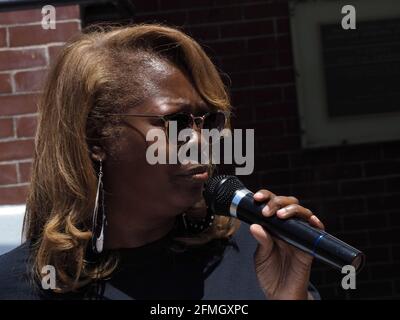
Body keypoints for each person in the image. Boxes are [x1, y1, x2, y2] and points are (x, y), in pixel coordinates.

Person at [0, 24, 324, 300]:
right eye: (175, 123)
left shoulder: (255, 253)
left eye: (208, 122)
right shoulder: (24, 285)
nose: (200, 143)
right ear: (95, 138)